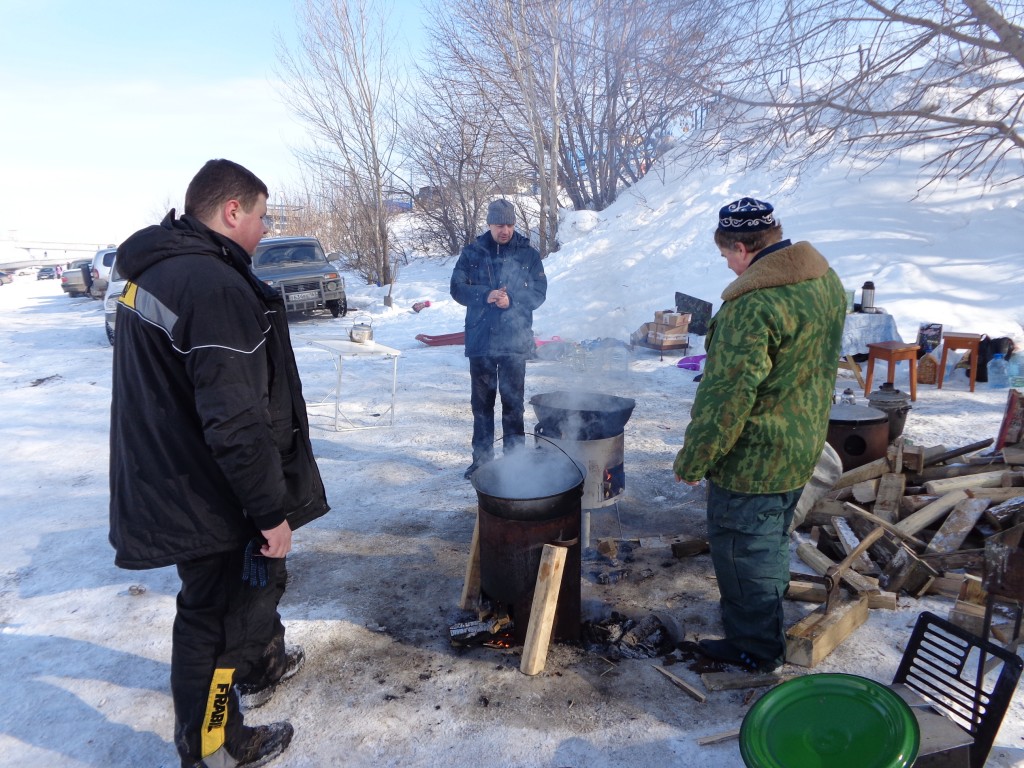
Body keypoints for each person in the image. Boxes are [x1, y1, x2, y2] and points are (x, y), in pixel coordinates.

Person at [109, 159, 330, 767]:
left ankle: (255, 672)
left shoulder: (161, 270)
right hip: (206, 492)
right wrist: (270, 512)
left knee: (234, 602)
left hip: (174, 476)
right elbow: (235, 422)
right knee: (216, 623)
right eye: (262, 216)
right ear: (232, 212)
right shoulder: (213, 288)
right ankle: (213, 745)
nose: (265, 229)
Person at [673, 197, 846, 672]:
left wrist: (694, 459)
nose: (728, 265)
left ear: (743, 248)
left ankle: (755, 648)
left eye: (726, 254)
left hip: (756, 460)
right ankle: (763, 622)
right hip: (803, 441)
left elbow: (726, 399)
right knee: (769, 539)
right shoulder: (823, 280)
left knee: (742, 550)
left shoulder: (752, 306)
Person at [450, 199, 547, 479]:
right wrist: (485, 295)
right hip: (481, 342)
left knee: (513, 405)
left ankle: (515, 462)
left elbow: (539, 293)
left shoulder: (528, 254)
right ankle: (482, 461)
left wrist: (511, 300)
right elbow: (457, 288)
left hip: (514, 342)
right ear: (490, 224)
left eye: (509, 224)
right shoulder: (473, 252)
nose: (505, 230)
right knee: (481, 406)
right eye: (499, 225)